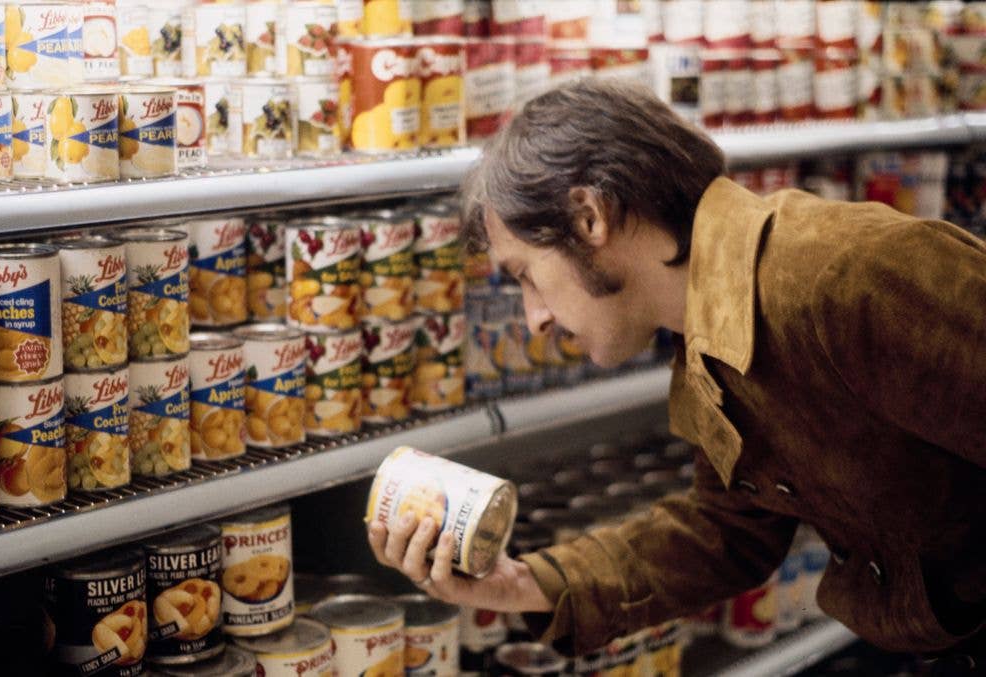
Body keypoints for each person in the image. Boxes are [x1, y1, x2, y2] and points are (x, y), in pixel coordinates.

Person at [367, 78, 986, 672]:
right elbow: (729, 531)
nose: (533, 320)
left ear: (588, 218)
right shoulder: (712, 336)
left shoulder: (850, 277)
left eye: (526, 273)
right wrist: (521, 584)